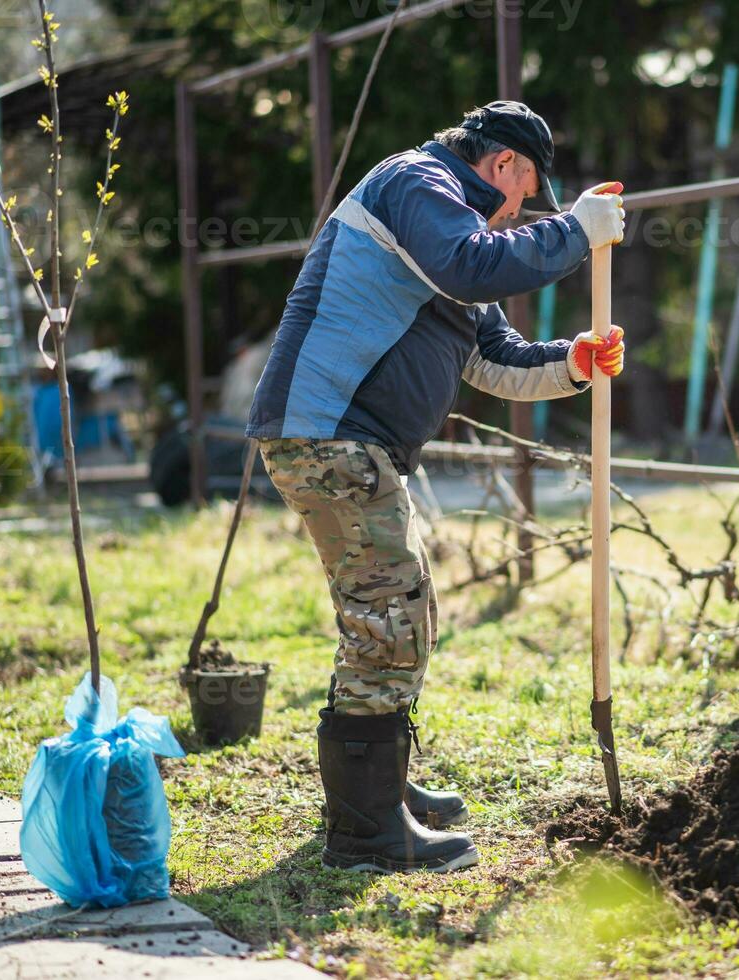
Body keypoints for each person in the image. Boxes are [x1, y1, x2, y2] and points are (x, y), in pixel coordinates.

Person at [246, 101, 626, 874]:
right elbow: (472, 267)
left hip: (355, 442)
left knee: (399, 610)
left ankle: (379, 789)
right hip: (329, 431)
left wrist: (577, 360)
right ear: (505, 165)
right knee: (388, 619)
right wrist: (579, 232)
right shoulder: (417, 184)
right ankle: (364, 834)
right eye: (526, 193)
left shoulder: (451, 229)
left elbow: (494, 357)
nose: (520, 209)